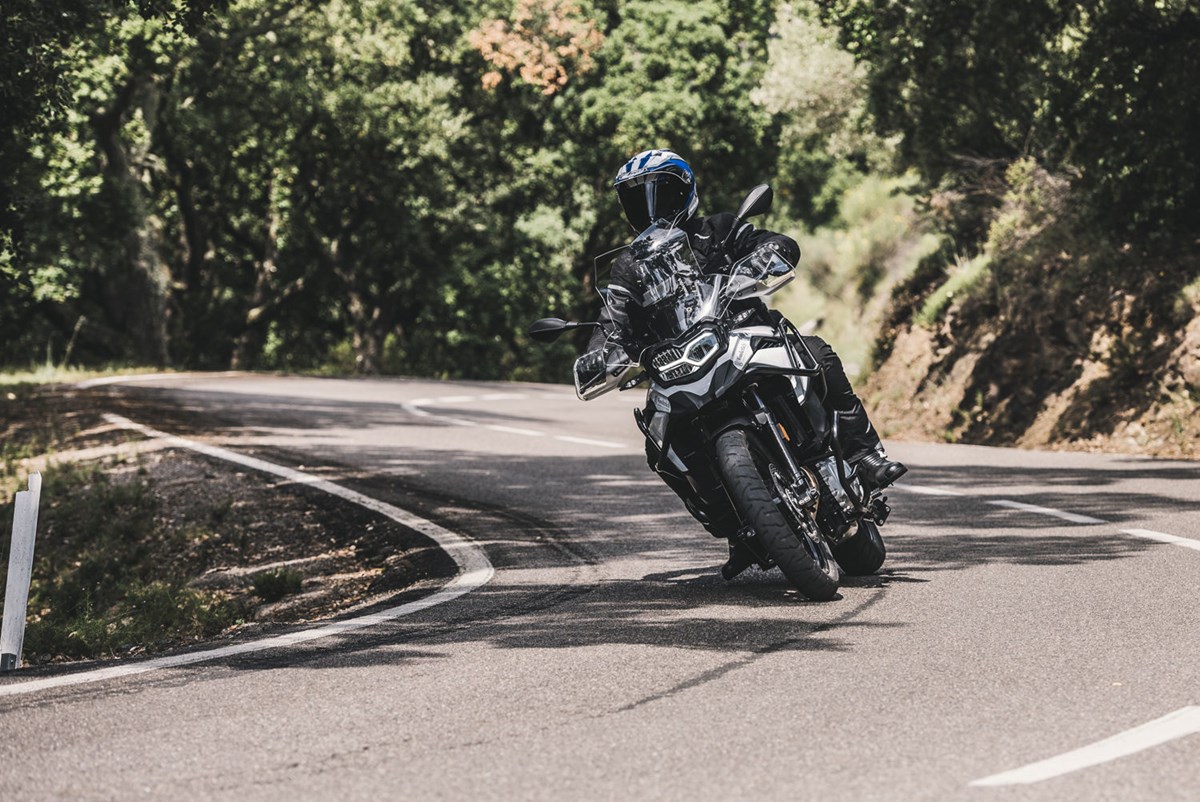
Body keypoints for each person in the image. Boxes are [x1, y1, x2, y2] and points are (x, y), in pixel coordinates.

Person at [585, 148, 907, 491]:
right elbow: (612, 319)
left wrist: (769, 254)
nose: (651, 209)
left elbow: (774, 243)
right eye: (637, 201)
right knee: (658, 441)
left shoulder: (719, 229)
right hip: (678, 365)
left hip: (746, 335)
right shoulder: (628, 267)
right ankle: (723, 512)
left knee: (818, 355)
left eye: (661, 194)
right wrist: (597, 353)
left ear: (684, 191)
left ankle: (864, 455)